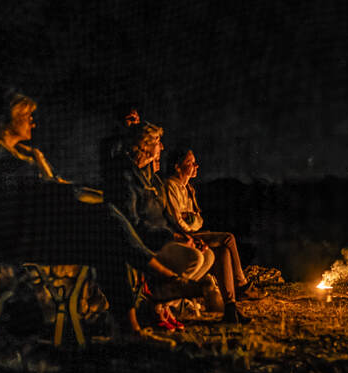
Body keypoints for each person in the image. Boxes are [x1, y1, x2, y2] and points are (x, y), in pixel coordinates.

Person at [0, 85, 200, 334]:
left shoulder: (23, 154)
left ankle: (132, 328)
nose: (33, 122)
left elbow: (45, 188)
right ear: (5, 119)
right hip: (16, 238)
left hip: (37, 231)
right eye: (26, 116)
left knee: (107, 242)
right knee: (106, 217)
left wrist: (60, 187)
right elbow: (15, 197)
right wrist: (59, 189)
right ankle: (163, 278)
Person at [106, 124, 250, 324]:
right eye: (157, 142)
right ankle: (161, 297)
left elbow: (171, 217)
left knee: (207, 255)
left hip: (165, 236)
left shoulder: (151, 180)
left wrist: (188, 237)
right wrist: (176, 236)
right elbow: (134, 224)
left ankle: (218, 306)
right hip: (149, 243)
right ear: (145, 146)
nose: (162, 147)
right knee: (197, 257)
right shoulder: (128, 178)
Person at [164, 148, 264, 313]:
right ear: (177, 166)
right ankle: (241, 284)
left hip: (192, 231)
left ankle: (230, 305)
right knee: (228, 238)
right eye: (190, 162)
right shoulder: (171, 186)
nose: (196, 166)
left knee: (224, 251)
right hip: (184, 236)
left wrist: (192, 220)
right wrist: (191, 224)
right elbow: (177, 220)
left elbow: (198, 220)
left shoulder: (188, 189)